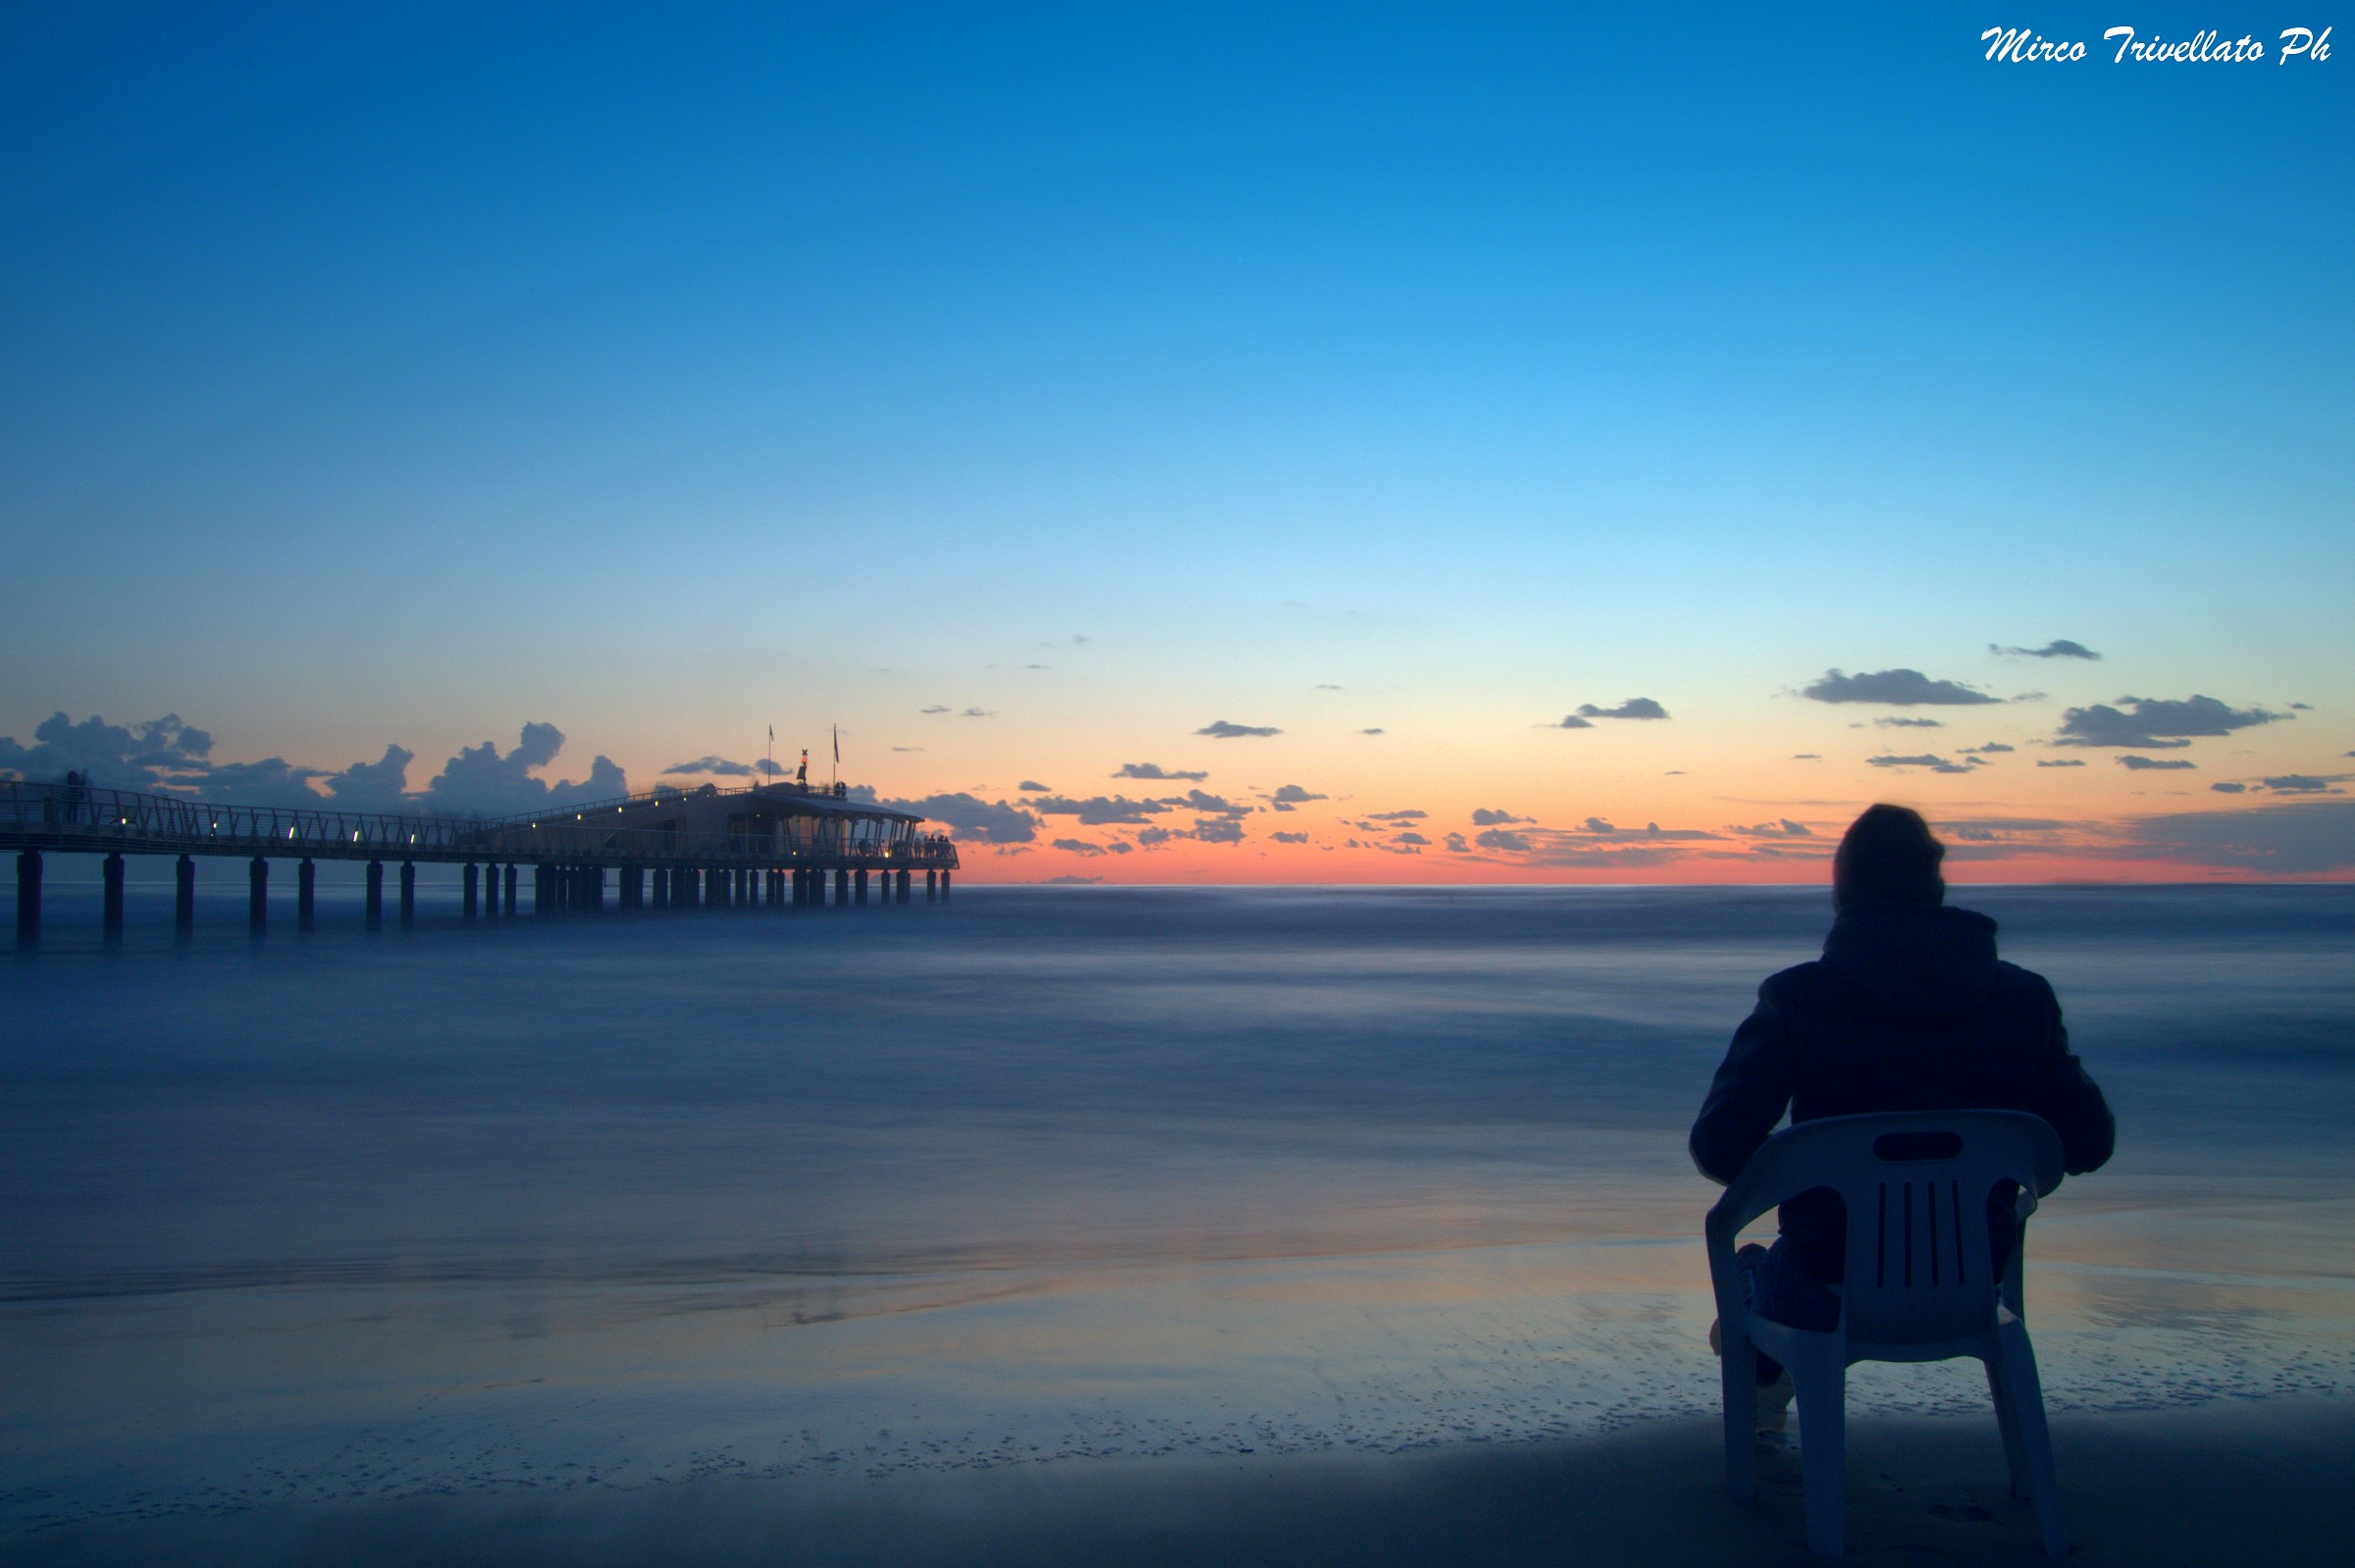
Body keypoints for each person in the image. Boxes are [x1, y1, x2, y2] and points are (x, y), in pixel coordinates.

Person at [1690, 804, 2114, 1416]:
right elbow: (2090, 1144)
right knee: (1773, 1271)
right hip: (1972, 1285)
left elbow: (1720, 1149)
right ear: (1936, 889)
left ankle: (1764, 1386)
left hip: (1827, 1286)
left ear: (1845, 897)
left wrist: (1807, 1167)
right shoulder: (2021, 1001)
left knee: (1751, 1271)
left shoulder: (1801, 1000)